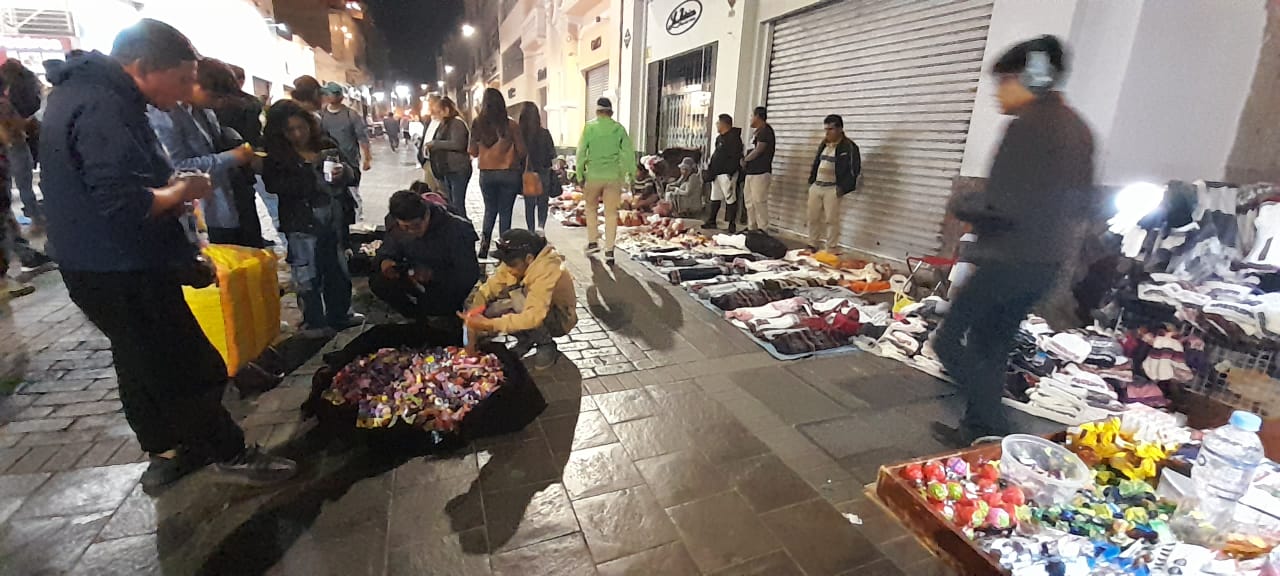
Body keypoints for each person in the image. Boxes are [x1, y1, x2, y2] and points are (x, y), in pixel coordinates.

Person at [39, 19, 296, 490]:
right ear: (142, 67)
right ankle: (228, 453)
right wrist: (182, 189)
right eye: (181, 80)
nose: (185, 93)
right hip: (121, 267)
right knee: (187, 367)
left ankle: (167, 450)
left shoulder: (83, 94)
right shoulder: (103, 105)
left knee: (138, 362)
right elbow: (122, 201)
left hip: (100, 265)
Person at [932, 36, 1095, 447]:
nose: (997, 93)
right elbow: (1079, 202)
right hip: (1046, 263)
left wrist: (964, 203)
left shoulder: (1027, 128)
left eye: (1003, 82)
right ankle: (978, 429)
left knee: (950, 341)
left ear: (1029, 78)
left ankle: (998, 426)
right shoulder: (1077, 129)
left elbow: (1001, 204)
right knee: (993, 343)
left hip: (1008, 261)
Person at [262, 99, 361, 336]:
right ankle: (314, 322)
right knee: (307, 274)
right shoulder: (277, 156)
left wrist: (343, 173)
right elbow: (274, 185)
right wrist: (312, 173)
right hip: (301, 221)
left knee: (337, 268)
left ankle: (340, 314)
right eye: (290, 130)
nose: (298, 134)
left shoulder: (325, 144)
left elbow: (353, 173)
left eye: (301, 127)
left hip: (334, 217)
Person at [147, 58, 259, 246]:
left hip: (227, 202)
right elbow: (178, 167)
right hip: (201, 213)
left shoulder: (204, 111)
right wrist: (232, 157)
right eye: (214, 96)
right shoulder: (167, 114)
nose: (219, 103)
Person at [462, 229, 578, 370]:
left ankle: (546, 344)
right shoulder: (516, 262)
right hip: (532, 305)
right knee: (491, 306)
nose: (508, 268)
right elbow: (488, 290)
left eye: (512, 264)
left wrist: (491, 325)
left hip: (560, 318)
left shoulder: (548, 269)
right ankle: (526, 339)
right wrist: (474, 315)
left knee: (516, 304)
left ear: (529, 258)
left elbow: (533, 316)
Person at [371, 190, 480, 328]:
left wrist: (433, 275)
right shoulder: (395, 225)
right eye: (405, 227)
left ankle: (439, 317)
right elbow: (388, 249)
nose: (411, 231)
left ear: (427, 215)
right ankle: (415, 316)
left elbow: (469, 275)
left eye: (416, 226)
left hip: (444, 285)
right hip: (411, 275)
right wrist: (385, 261)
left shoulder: (456, 229)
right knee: (379, 281)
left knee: (438, 309)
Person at [577, 97, 635, 265]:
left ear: (597, 111)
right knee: (611, 213)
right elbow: (628, 154)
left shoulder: (590, 128)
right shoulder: (618, 129)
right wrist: (629, 175)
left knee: (591, 209)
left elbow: (581, 152)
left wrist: (580, 174)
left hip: (593, 176)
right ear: (611, 112)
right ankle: (609, 250)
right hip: (613, 177)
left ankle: (593, 242)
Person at [469, 88, 525, 258]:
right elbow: (522, 150)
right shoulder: (511, 125)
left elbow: (472, 151)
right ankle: (504, 248)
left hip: (487, 174)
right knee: (505, 212)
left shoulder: (477, 124)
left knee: (489, 210)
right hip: (508, 174)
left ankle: (484, 247)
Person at [806, 114, 861, 251]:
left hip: (832, 188)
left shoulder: (849, 147)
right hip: (818, 185)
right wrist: (811, 182)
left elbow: (854, 169)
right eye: (826, 129)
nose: (827, 132)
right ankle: (813, 243)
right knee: (813, 217)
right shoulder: (824, 144)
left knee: (831, 219)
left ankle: (830, 247)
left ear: (840, 129)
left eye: (831, 129)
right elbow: (816, 163)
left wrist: (842, 188)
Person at [319, 82, 371, 220]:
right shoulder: (322, 115)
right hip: (328, 162)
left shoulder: (351, 115)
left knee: (352, 192)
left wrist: (367, 158)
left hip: (350, 162)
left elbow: (362, 137)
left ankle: (357, 220)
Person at [2, 60, 42, 227]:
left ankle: (14, 223)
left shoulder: (7, 101)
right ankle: (36, 221)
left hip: (10, 146)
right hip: (16, 144)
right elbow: (19, 125)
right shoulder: (6, 103)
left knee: (8, 188)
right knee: (24, 186)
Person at [425, 97, 470, 216]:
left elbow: (458, 143)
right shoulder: (443, 124)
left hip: (457, 169)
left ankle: (463, 229)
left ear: (446, 110)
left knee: (457, 204)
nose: (437, 115)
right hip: (447, 169)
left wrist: (435, 144)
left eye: (439, 111)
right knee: (451, 203)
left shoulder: (457, 123)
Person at [519, 102, 556, 232]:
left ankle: (530, 231)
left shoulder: (519, 134)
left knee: (529, 205)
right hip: (543, 173)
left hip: (527, 174)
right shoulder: (545, 133)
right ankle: (541, 228)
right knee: (542, 203)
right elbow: (552, 154)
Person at [703, 113, 743, 232]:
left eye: (718, 123)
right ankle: (712, 220)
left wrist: (730, 172)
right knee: (715, 197)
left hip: (727, 174)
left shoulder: (734, 139)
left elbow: (735, 157)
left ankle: (732, 223)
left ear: (724, 124)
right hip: (717, 173)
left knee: (730, 198)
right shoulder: (720, 138)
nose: (716, 125)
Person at [741, 106, 775, 233]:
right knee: (749, 201)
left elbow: (759, 149)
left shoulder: (766, 131)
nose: (750, 119)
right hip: (751, 172)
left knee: (759, 201)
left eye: (752, 116)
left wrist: (746, 159)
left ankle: (763, 228)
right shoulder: (757, 132)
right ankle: (752, 227)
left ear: (758, 117)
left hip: (761, 172)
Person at [417, 94, 443, 191]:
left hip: (439, 164)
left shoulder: (444, 122)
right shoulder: (429, 121)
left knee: (443, 194)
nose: (429, 106)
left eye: (431, 103)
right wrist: (421, 158)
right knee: (430, 193)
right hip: (428, 162)